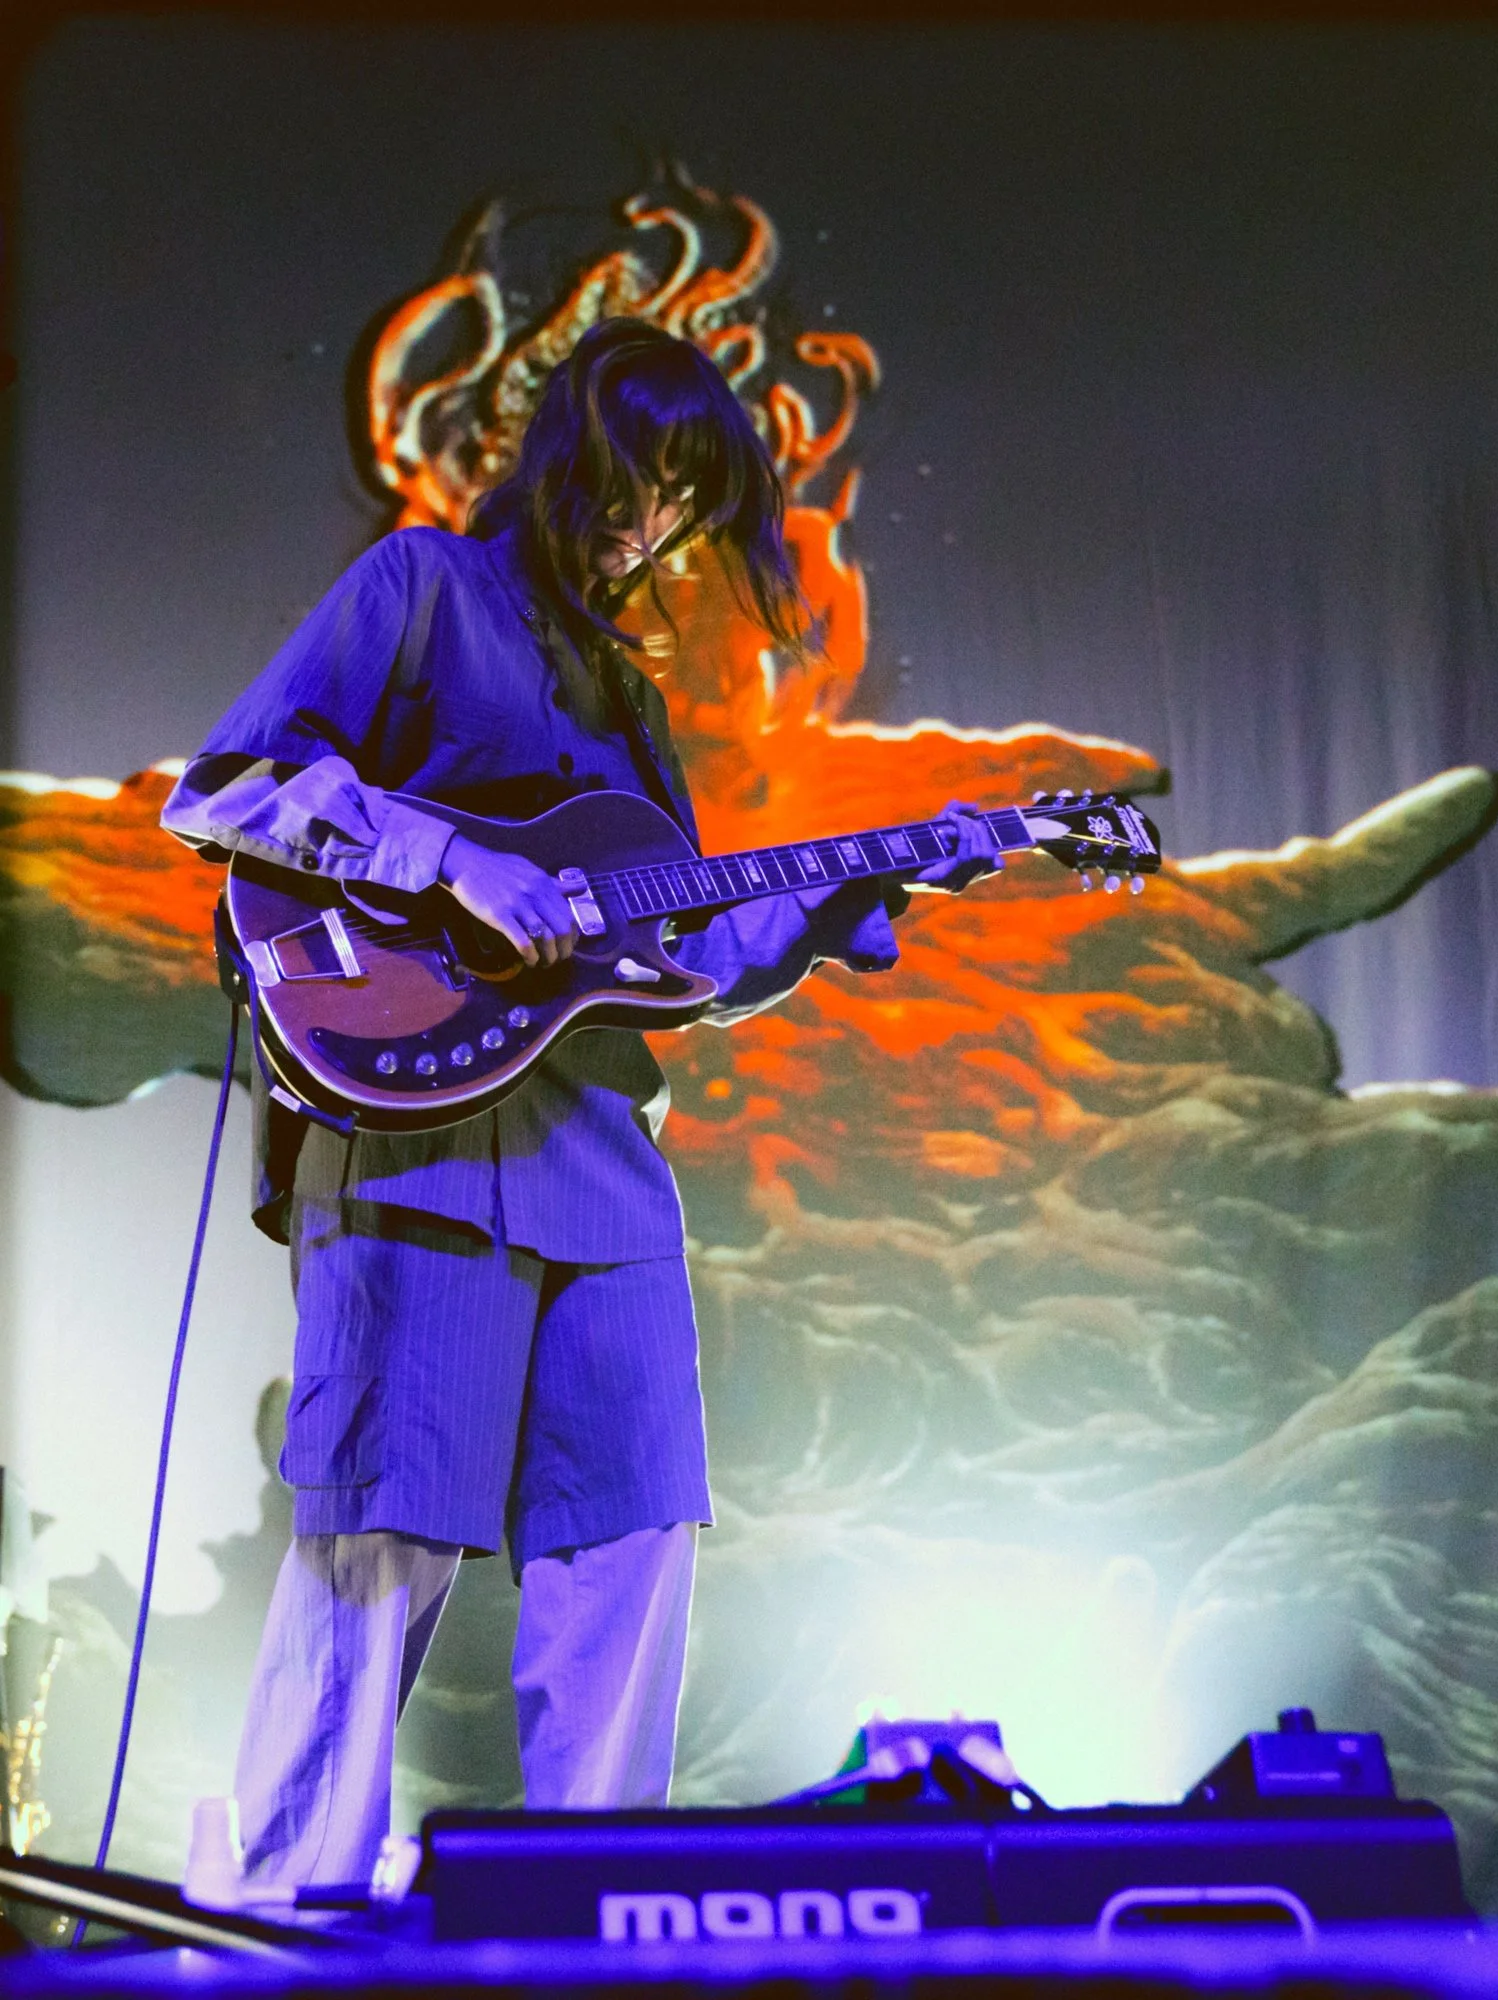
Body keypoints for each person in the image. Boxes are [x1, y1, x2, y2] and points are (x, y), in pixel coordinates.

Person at [161, 317, 1001, 1889]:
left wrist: (860, 888)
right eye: (636, 479)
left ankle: (596, 1915)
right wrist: (449, 861)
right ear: (566, 457)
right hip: (414, 1142)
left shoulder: (630, 700)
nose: (652, 522)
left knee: (633, 1549)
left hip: (603, 1172)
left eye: (684, 498)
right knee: (381, 1546)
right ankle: (287, 1919)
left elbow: (675, 963)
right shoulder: (422, 588)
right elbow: (226, 790)